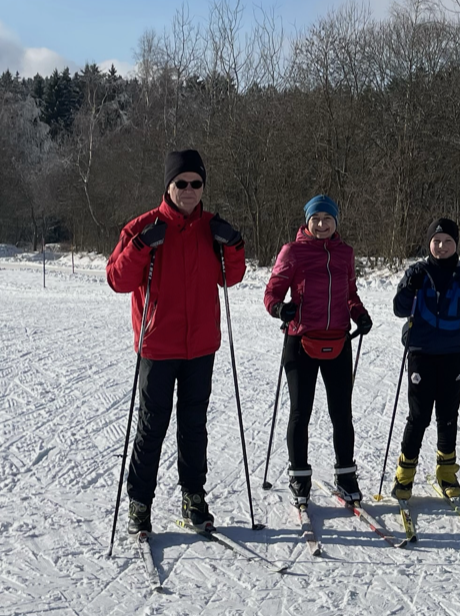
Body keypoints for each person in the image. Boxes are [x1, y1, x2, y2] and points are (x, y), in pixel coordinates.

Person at [105, 150, 244, 534]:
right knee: (152, 426)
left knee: (194, 424)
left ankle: (193, 496)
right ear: (168, 185)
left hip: (201, 345)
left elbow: (230, 279)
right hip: (158, 345)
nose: (188, 190)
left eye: (195, 183)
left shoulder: (212, 226)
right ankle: (139, 501)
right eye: (181, 183)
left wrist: (233, 245)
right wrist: (140, 247)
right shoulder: (142, 227)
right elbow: (117, 280)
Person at [263, 195, 372, 505]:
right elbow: (272, 290)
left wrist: (359, 314)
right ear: (307, 221)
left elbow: (350, 293)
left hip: (338, 340)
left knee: (342, 412)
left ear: (336, 221)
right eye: (316, 219)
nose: (322, 225)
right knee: (301, 411)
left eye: (328, 219)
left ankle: (346, 474)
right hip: (300, 341)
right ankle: (299, 475)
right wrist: (278, 309)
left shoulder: (345, 254)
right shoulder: (293, 252)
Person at [390, 219, 460, 499]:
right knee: (419, 416)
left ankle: (447, 474)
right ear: (429, 244)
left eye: (448, 241)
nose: (441, 247)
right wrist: (409, 288)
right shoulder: (418, 271)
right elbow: (399, 309)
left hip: (452, 353)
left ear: (456, 245)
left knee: (448, 416)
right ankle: (404, 476)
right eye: (436, 241)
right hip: (422, 353)